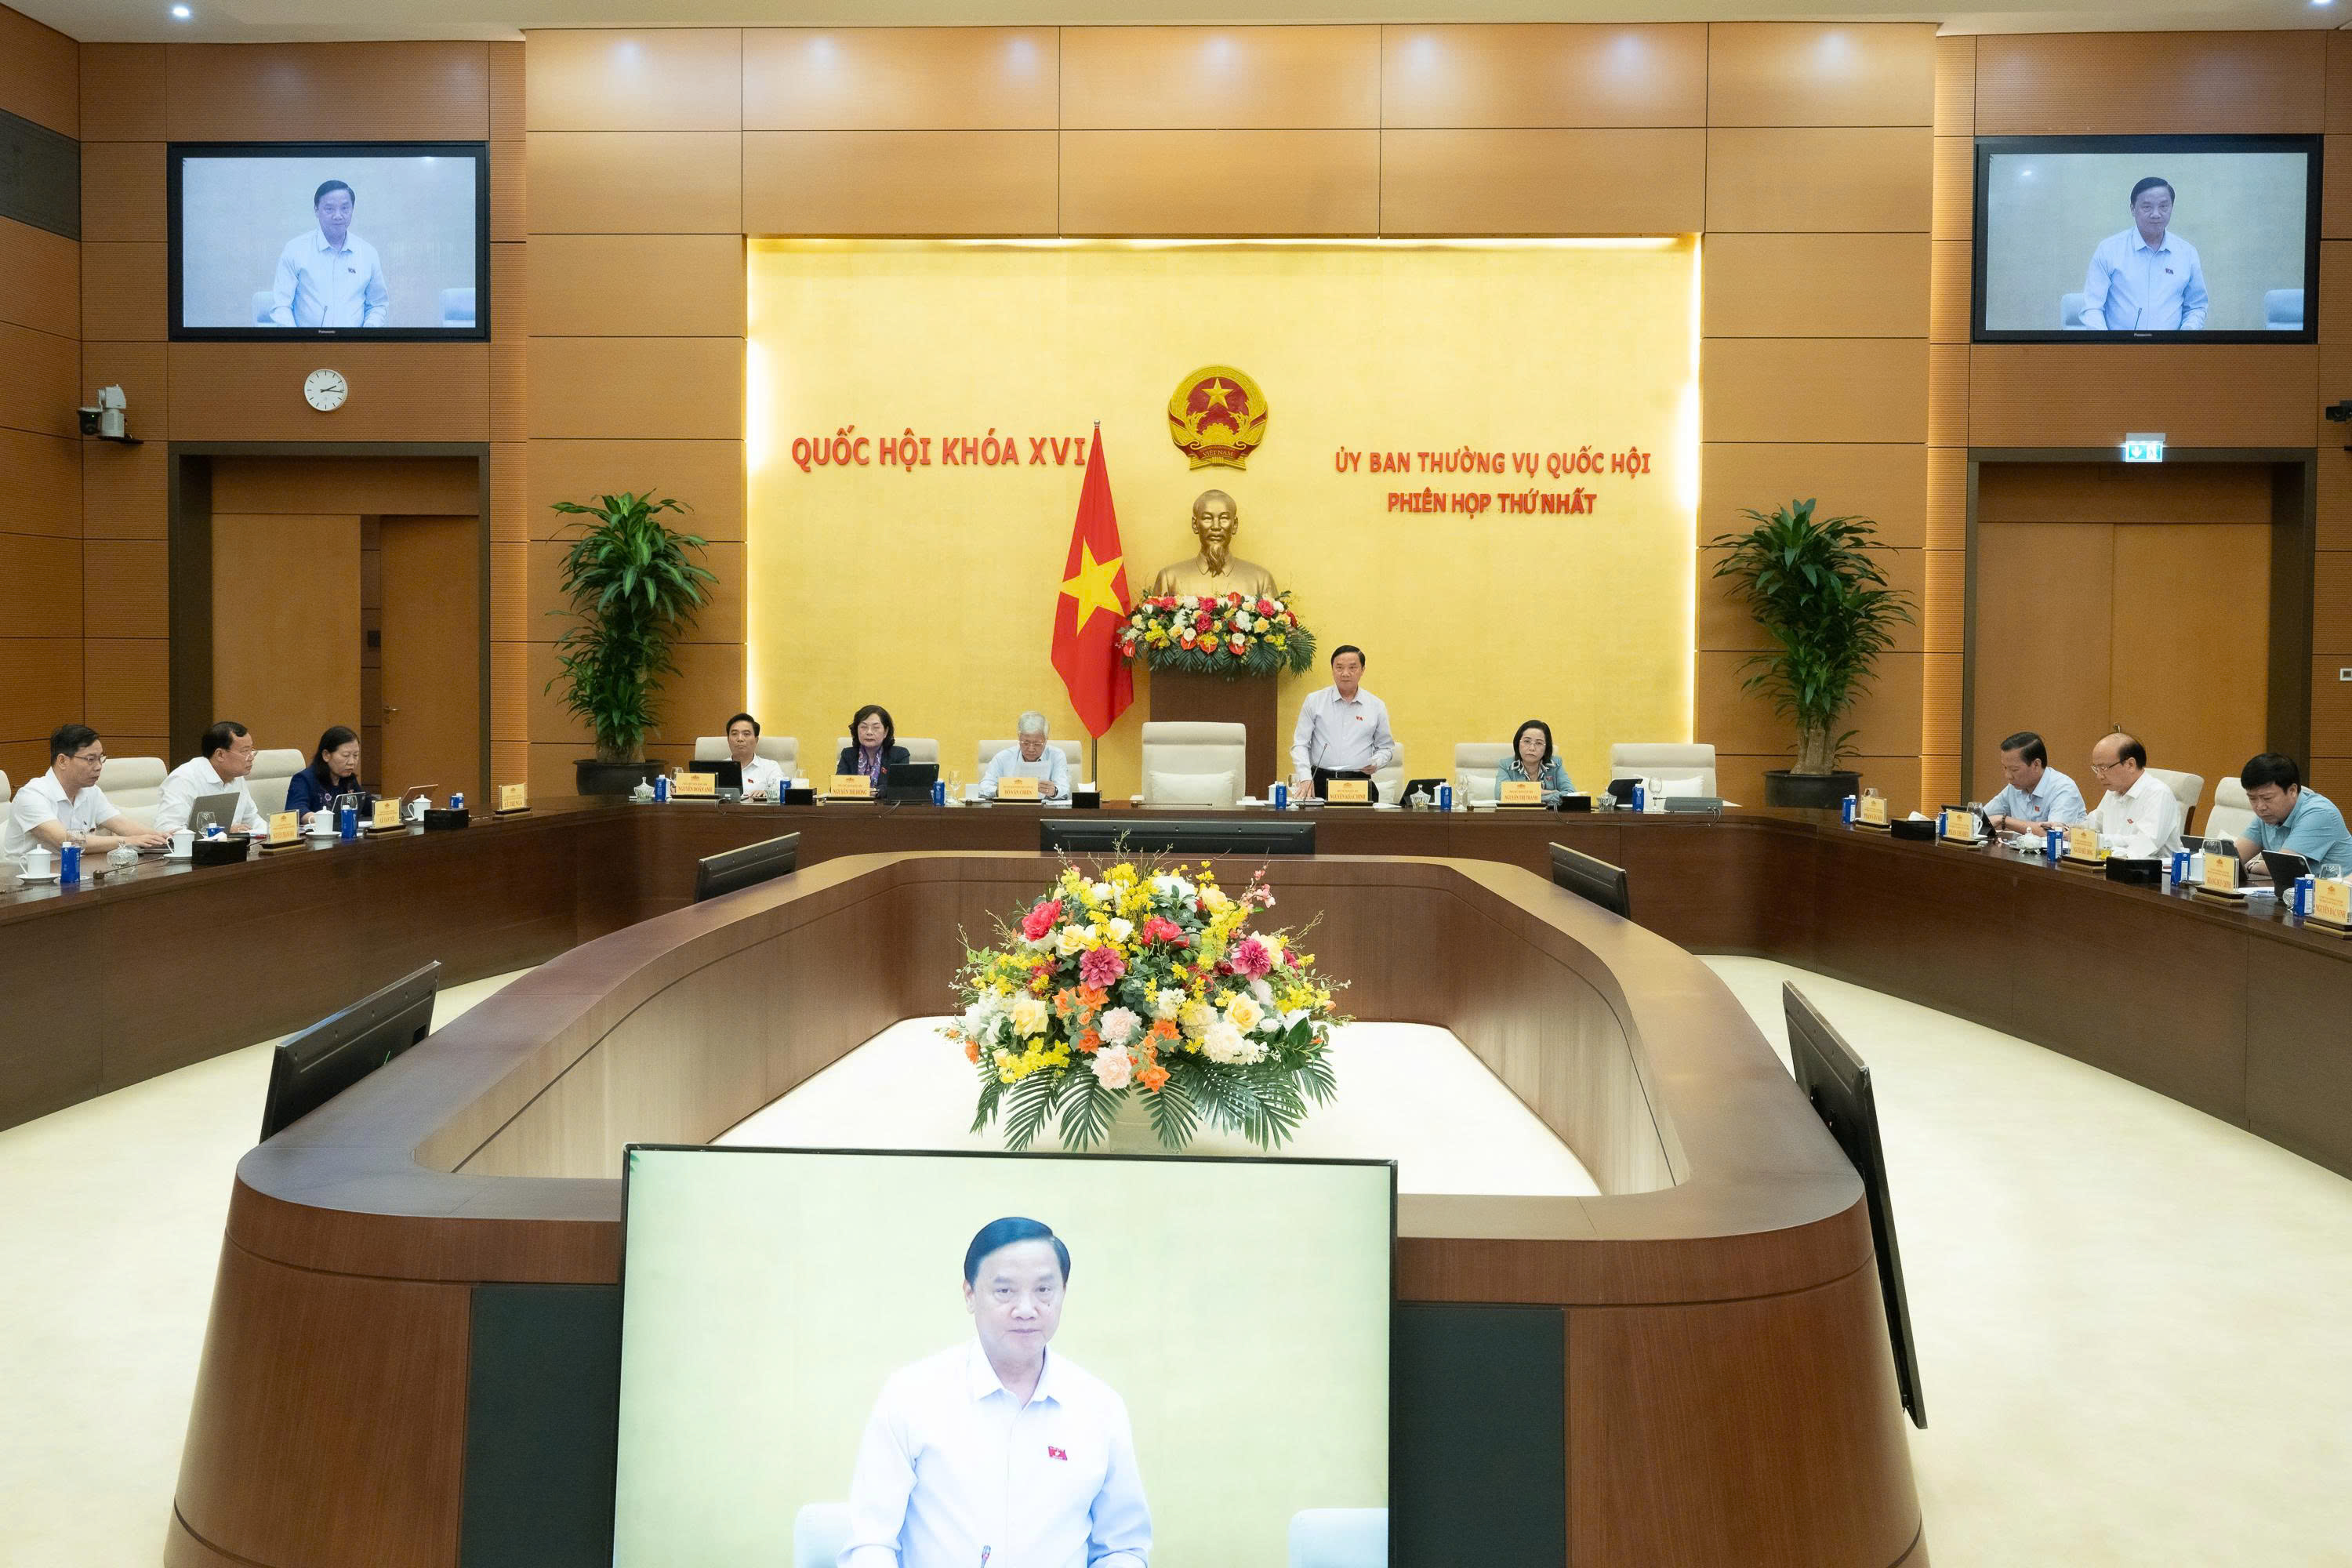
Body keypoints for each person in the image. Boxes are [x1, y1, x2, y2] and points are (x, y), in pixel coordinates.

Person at [840, 1218, 1150, 1568]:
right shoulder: (912, 1396)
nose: (1026, 1309)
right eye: (1004, 1291)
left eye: (1044, 1290)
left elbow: (1122, 1547)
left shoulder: (1100, 1407)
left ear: (1063, 1292)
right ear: (970, 1294)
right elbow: (871, 1542)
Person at [3, 724, 168, 859]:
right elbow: (64, 841)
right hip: (27, 881)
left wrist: (165, 839)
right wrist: (127, 841)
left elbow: (122, 824)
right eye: (90, 759)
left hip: (76, 874)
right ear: (62, 761)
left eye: (101, 758)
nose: (99, 766)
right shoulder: (32, 795)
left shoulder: (91, 792)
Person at [2080, 176, 2207, 332]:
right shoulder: (2109, 250)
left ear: (2172, 208)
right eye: (2147, 207)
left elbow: (2196, 307)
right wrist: (2107, 343)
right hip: (2119, 345)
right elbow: (2092, 307)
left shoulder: (2187, 253)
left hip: (2171, 346)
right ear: (2133, 209)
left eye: (2163, 206)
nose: (2156, 214)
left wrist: (2186, 336)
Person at [1290, 645, 1395, 799]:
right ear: (1332, 669)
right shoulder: (1314, 701)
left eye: (1352, 668)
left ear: (1363, 670)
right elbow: (1300, 744)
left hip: (1359, 782)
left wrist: (1376, 762)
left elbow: (1386, 748)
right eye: (1339, 668)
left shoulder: (1376, 706)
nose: (1345, 673)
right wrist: (1305, 777)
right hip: (1320, 781)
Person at [1144, 489, 1278, 599]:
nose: (1216, 527)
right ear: (1195, 525)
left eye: (1224, 518)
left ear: (1235, 525)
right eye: (1207, 518)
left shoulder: (1261, 580)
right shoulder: (1170, 579)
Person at [2232, 753, 2352, 874]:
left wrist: (2252, 865)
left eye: (2267, 798)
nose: (2260, 807)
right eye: (2252, 798)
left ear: (2293, 791)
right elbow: (2231, 860)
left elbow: (2282, 867)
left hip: (2336, 886)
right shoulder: (2268, 815)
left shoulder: (2319, 813)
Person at [154, 721, 270, 837]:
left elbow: (252, 819)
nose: (251, 757)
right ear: (220, 755)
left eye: (251, 750)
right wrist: (221, 831)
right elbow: (168, 828)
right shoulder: (183, 779)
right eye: (245, 751)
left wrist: (274, 833)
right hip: (195, 848)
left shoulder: (235, 776)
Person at [2085, 731, 2183, 855]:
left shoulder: (2158, 794)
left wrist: (2098, 840)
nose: (2099, 776)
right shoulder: (2113, 792)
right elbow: (2092, 824)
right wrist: (2069, 831)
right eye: (2096, 769)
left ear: (2130, 764)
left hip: (2152, 866)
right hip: (2112, 863)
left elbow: (2144, 845)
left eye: (2103, 768)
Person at [1984, 730, 2088, 834]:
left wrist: (2004, 820)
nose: (2008, 776)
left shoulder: (2064, 788)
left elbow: (2055, 834)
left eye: (2014, 770)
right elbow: (1981, 817)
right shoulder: (2014, 787)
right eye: (2005, 768)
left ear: (2036, 765)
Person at [981, 713, 1071, 801]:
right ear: (1019, 737)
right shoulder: (1003, 757)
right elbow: (983, 787)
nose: (1031, 749)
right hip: (1011, 808)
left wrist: (1054, 791)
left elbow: (1064, 789)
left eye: (1037, 744)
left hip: (1044, 809)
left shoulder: (1056, 755)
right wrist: (998, 791)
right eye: (1026, 743)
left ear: (1046, 740)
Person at [285, 726, 365, 823]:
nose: (352, 762)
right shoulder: (304, 779)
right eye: (346, 755)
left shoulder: (348, 780)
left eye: (356, 755)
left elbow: (367, 804)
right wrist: (325, 820)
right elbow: (296, 812)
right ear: (326, 755)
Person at [1494, 719, 1573, 803]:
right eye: (1527, 741)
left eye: (1539, 743)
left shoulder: (1555, 764)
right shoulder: (1506, 765)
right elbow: (1501, 794)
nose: (1532, 748)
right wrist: (1542, 792)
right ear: (1518, 743)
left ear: (1546, 748)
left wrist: (1530, 796)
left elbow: (1570, 794)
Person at [723, 712, 786, 801]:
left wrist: (767, 793)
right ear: (728, 740)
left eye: (746, 734)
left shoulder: (770, 767)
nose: (740, 739)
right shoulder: (718, 768)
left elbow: (782, 789)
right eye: (734, 734)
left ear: (756, 740)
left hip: (759, 810)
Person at [837, 705, 909, 782]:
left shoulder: (899, 755)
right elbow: (837, 786)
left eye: (876, 728)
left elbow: (900, 787)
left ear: (886, 731)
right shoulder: (848, 755)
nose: (869, 732)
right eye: (864, 727)